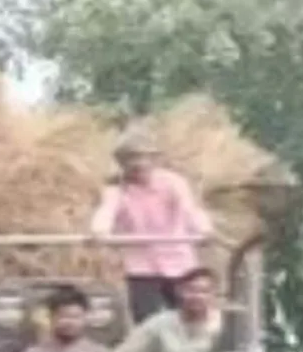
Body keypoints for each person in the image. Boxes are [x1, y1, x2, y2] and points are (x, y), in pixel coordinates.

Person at [90, 123, 215, 324]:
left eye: (144, 157)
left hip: (179, 261)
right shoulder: (116, 189)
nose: (139, 164)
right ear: (121, 163)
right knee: (146, 320)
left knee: (189, 317)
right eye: (131, 158)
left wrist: (204, 229)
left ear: (154, 160)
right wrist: (99, 231)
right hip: (142, 266)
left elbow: (190, 209)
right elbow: (106, 211)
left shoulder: (173, 182)